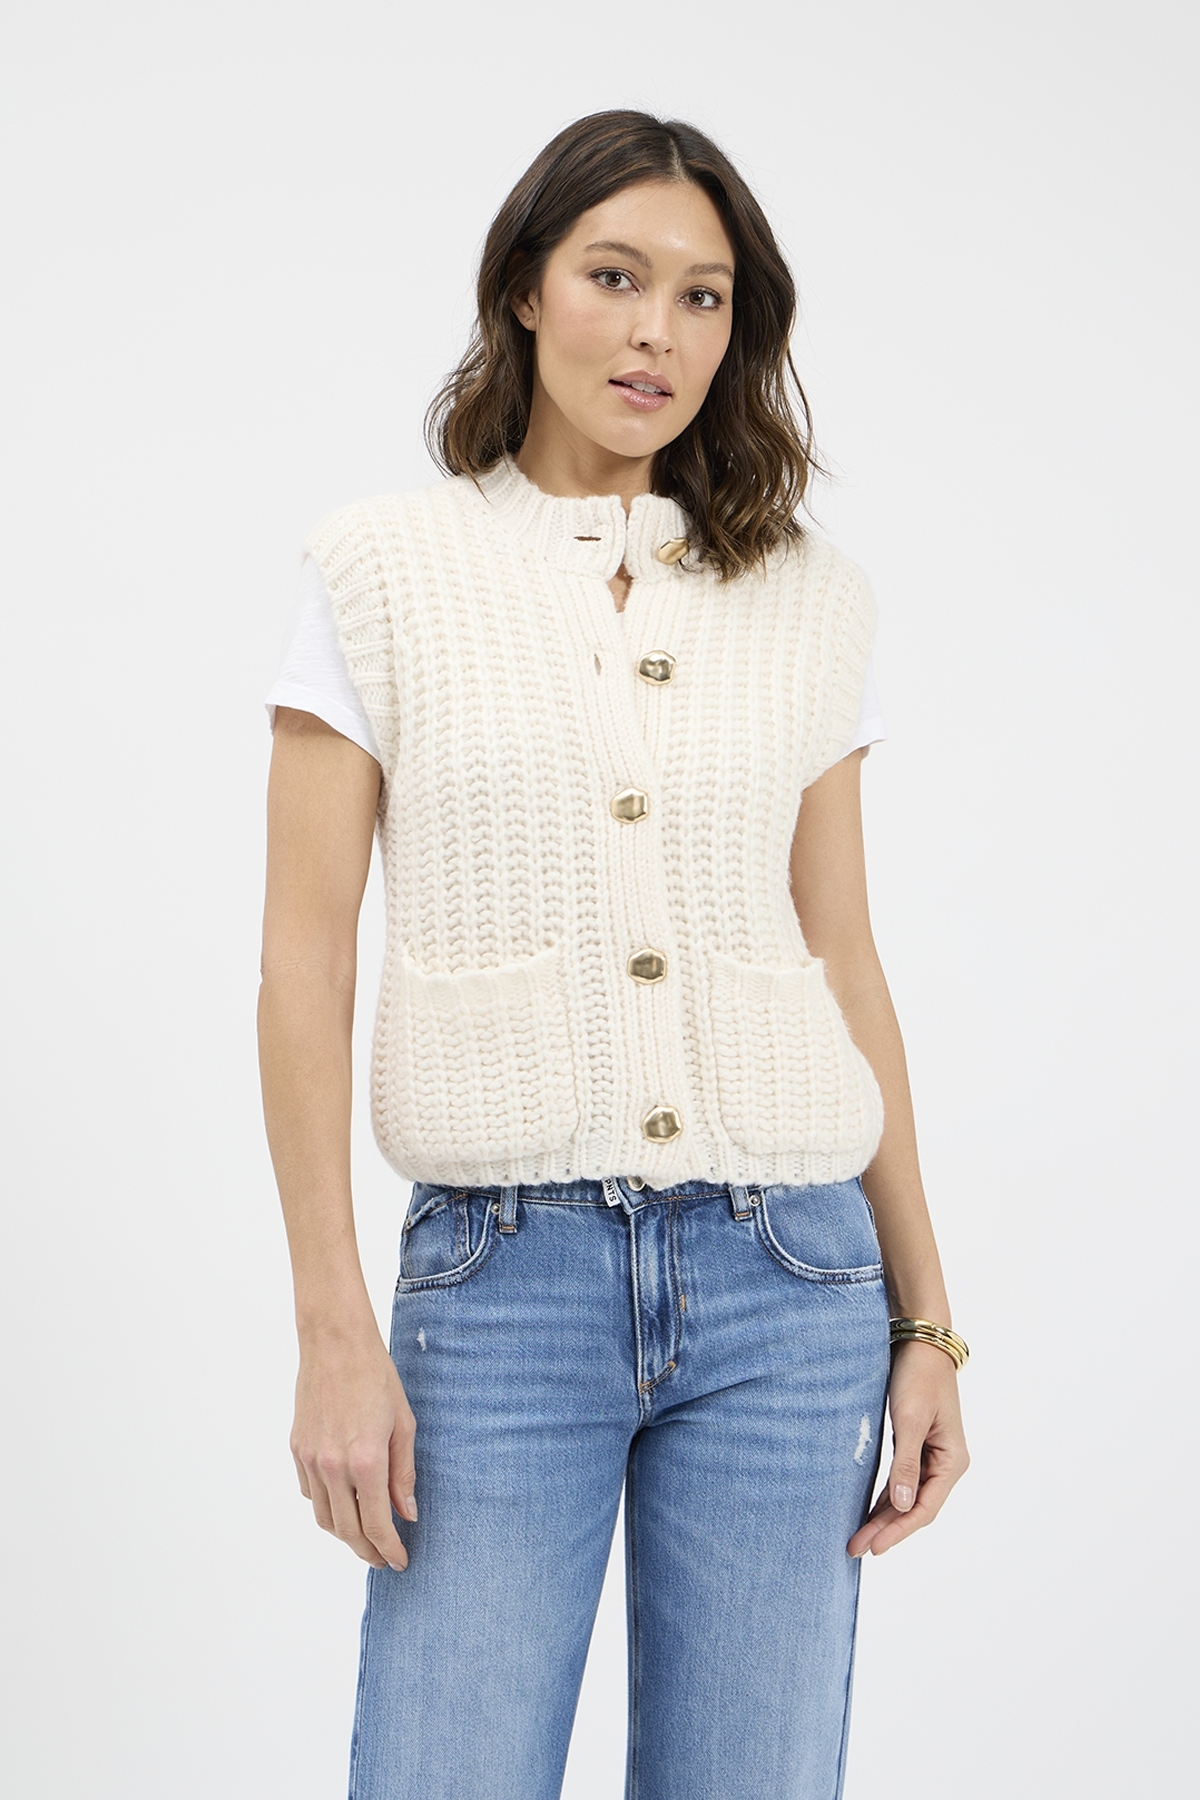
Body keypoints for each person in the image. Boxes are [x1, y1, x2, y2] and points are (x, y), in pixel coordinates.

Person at [258, 109, 969, 1800]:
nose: (659, 333)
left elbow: (845, 958)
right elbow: (301, 965)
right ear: (523, 289)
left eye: (704, 297)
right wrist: (332, 1326)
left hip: (792, 1280)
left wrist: (930, 1325)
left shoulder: (809, 597)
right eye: (615, 278)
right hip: (503, 1281)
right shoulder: (385, 570)